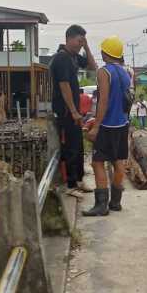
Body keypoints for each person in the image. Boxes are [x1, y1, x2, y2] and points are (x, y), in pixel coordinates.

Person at [83, 36, 131, 217]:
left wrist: (96, 126)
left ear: (106, 53)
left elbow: (103, 101)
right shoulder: (125, 72)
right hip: (122, 124)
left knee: (97, 162)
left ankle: (101, 205)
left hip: (107, 125)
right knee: (118, 161)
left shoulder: (104, 72)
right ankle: (116, 202)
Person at [49, 24, 97, 197]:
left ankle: (79, 180)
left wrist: (87, 47)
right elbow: (64, 86)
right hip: (65, 110)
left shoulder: (74, 57)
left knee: (78, 145)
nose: (80, 44)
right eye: (79, 41)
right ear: (69, 38)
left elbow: (92, 67)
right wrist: (73, 111)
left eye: (82, 41)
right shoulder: (61, 58)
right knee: (70, 146)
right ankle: (70, 185)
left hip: (74, 110)